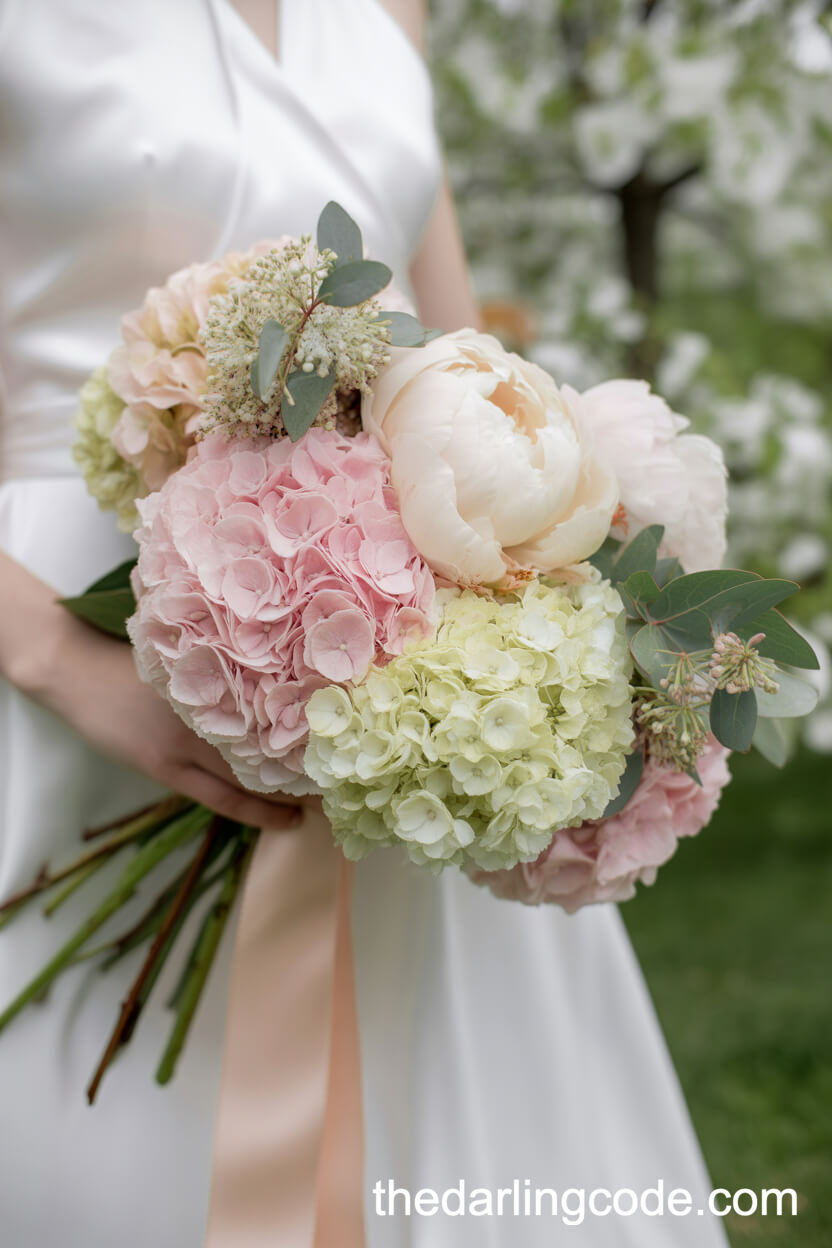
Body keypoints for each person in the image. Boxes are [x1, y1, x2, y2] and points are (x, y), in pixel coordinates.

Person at [0, 2, 730, 1244]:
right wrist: (57, 656)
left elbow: (449, 342)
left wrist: (559, 592)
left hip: (382, 611)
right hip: (57, 632)